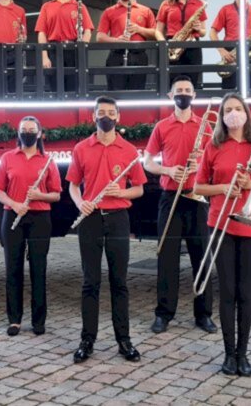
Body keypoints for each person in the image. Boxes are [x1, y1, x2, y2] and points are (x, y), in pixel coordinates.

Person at [194, 93, 251, 377]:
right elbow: (198, 187)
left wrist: (250, 182)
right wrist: (223, 188)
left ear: (246, 112)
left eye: (238, 108)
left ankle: (243, 354)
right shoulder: (213, 145)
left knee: (246, 292)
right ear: (221, 116)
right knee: (228, 292)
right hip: (220, 224)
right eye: (228, 109)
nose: (233, 113)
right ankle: (228, 354)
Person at [67, 96, 148, 364]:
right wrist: (82, 204)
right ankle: (87, 339)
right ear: (93, 117)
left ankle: (123, 340)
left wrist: (121, 191)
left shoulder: (128, 150)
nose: (106, 116)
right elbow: (73, 186)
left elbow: (139, 188)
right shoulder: (81, 148)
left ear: (118, 117)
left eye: (111, 112)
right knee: (90, 282)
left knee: (119, 282)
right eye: (101, 112)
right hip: (90, 219)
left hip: (118, 218)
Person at [142, 76, 215, 334]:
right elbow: (147, 162)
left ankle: (204, 314)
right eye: (179, 91)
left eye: (187, 90)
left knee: (201, 257)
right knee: (167, 257)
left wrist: (201, 165)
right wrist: (167, 169)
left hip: (197, 197)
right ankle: (164, 314)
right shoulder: (162, 126)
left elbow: (216, 162)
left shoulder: (206, 127)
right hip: (170, 196)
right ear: (170, 96)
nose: (183, 94)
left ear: (194, 95)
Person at [0, 116, 62, 337]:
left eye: (32, 130)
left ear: (40, 134)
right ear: (18, 133)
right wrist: (13, 204)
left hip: (40, 218)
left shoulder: (48, 161)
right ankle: (14, 320)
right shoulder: (7, 158)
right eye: (24, 130)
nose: (28, 133)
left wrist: (39, 195)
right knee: (12, 269)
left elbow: (56, 195)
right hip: (13, 215)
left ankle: (38, 320)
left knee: (38, 270)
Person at [97, 0, 162, 91]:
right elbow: (100, 37)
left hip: (139, 56)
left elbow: (156, 34)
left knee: (137, 94)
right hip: (116, 56)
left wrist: (139, 29)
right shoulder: (109, 11)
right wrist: (117, 40)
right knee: (115, 94)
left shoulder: (146, 11)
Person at [36, 0, 93, 94]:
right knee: (55, 89)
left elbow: (88, 30)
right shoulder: (46, 7)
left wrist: (82, 47)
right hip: (53, 50)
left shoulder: (80, 6)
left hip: (74, 50)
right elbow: (41, 33)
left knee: (74, 89)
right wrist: (44, 56)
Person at [157, 0, 207, 89]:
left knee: (192, 84)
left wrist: (198, 29)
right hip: (173, 46)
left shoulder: (198, 3)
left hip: (193, 47)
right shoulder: (166, 4)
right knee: (173, 85)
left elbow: (203, 32)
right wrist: (166, 46)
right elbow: (158, 31)